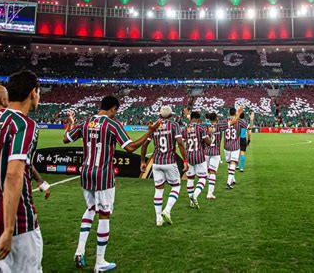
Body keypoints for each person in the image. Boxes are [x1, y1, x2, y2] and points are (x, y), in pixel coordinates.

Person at [63, 96, 160, 272]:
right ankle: (99, 262)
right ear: (113, 109)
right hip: (103, 175)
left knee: (91, 209)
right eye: (116, 111)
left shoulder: (85, 123)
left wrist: (71, 122)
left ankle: (79, 250)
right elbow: (130, 148)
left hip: (86, 173)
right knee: (104, 214)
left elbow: (66, 139)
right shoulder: (112, 125)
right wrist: (150, 132)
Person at [0, 70, 43, 272]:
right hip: (17, 223)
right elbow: (14, 174)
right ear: (33, 93)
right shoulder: (23, 124)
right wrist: (8, 228)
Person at [0, 84, 51, 198]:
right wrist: (40, 181)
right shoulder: (12, 124)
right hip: (4, 191)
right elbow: (20, 159)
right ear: (3, 100)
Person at [140, 106, 187, 226]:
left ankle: (158, 219)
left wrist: (143, 162)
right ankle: (167, 210)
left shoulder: (154, 126)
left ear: (160, 115)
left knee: (158, 190)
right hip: (170, 161)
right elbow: (180, 144)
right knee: (176, 187)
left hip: (156, 162)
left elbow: (144, 144)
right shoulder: (174, 125)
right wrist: (185, 160)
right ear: (171, 115)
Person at [182, 111, 211, 209]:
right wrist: (209, 137)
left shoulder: (185, 129)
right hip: (199, 155)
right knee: (203, 177)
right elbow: (208, 142)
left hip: (189, 155)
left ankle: (191, 201)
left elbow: (181, 142)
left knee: (190, 178)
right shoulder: (201, 128)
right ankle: (195, 195)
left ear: (191, 118)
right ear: (198, 119)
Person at [223, 108, 254, 189]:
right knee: (233, 163)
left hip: (226, 146)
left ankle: (232, 180)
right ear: (236, 113)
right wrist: (251, 120)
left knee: (229, 163)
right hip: (235, 145)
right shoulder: (240, 121)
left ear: (229, 113)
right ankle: (228, 182)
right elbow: (250, 128)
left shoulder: (224, 121)